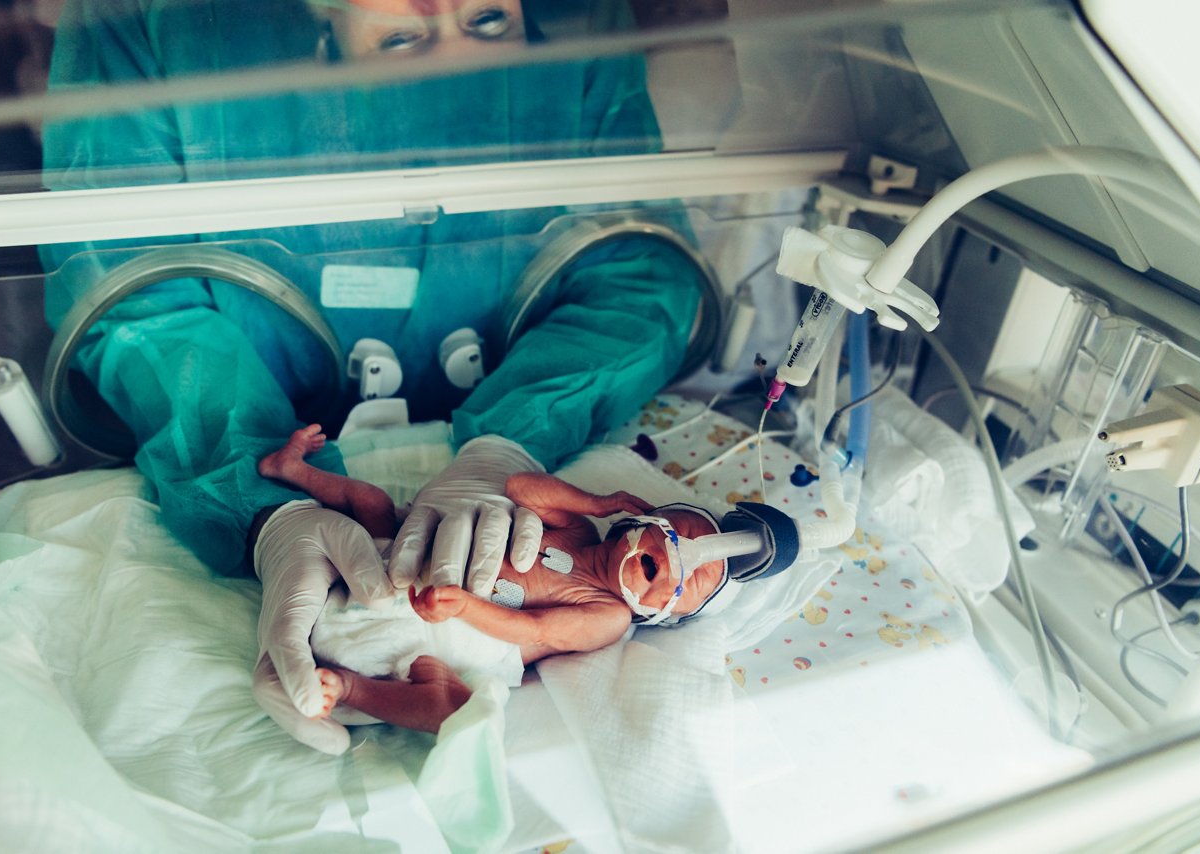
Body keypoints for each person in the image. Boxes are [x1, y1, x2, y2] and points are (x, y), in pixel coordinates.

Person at [39, 0, 704, 754]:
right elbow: (134, 302)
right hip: (245, 444)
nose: (446, 33)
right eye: (402, 32)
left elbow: (641, 278)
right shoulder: (158, 20)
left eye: (488, 21)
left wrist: (512, 440)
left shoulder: (578, 24)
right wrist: (263, 509)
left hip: (503, 448)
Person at [255, 423, 728, 737]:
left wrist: (464, 606)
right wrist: (599, 502)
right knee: (373, 504)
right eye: (678, 535)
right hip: (392, 573)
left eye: (693, 583)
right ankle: (291, 469)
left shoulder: (609, 614)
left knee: (451, 705)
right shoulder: (579, 530)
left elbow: (535, 631)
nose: (677, 562)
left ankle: (350, 688)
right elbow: (522, 489)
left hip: (460, 639)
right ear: (641, 521)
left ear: (668, 615)